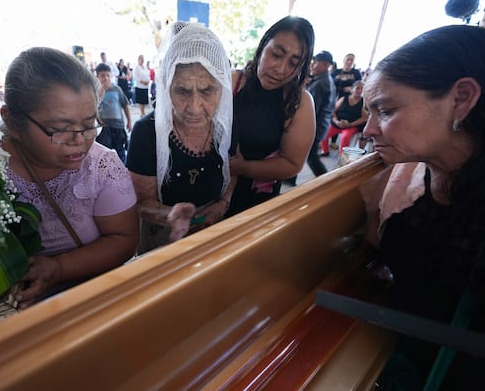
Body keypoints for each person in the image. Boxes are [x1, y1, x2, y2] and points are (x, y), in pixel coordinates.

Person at [361, 25, 485, 389]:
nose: (369, 129)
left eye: (385, 110)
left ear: (461, 98)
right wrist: (372, 209)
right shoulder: (410, 177)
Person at [0, 47, 139, 308]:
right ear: (13, 123)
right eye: (60, 130)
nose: (80, 141)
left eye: (88, 125)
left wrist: (58, 269)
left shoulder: (102, 166)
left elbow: (124, 239)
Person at [126, 22, 235, 254]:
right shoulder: (146, 133)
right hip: (162, 238)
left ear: (223, 87)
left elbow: (235, 169)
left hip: (213, 230)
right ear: (166, 86)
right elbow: (142, 202)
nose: (195, 108)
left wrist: (222, 205)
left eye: (207, 91)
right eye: (182, 91)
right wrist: (171, 216)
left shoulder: (227, 126)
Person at [228, 16, 316, 215]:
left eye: (293, 63)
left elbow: (292, 164)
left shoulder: (299, 103)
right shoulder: (232, 81)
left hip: (254, 200)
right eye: (276, 54)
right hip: (209, 188)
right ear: (262, 46)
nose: (281, 69)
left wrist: (243, 168)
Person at [95, 62, 132, 162]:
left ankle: (122, 169)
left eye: (108, 75)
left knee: (120, 150)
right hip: (103, 128)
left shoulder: (117, 90)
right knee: (103, 152)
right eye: (102, 76)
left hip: (118, 126)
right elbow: (94, 109)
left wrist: (129, 121)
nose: (106, 78)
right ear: (97, 77)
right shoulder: (95, 92)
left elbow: (125, 105)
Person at [320, 80, 367, 156]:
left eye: (362, 88)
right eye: (357, 88)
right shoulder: (343, 99)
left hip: (351, 126)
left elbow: (364, 118)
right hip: (338, 123)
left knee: (345, 137)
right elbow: (333, 111)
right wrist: (336, 121)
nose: (359, 90)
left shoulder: (363, 102)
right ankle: (325, 151)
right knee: (324, 134)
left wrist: (350, 124)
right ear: (352, 89)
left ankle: (343, 157)